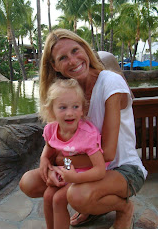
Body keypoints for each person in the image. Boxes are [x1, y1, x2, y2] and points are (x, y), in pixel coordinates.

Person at [19, 28, 147, 229]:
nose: (72, 60)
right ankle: (93, 206)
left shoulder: (110, 83)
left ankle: (123, 208)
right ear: (55, 66)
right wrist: (46, 161)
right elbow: (58, 136)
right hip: (84, 166)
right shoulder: (69, 93)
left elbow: (109, 153)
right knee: (29, 182)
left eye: (75, 50)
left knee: (78, 195)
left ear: (86, 50)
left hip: (123, 169)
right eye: (63, 57)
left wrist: (61, 161)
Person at [40, 78, 108, 229]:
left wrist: (75, 178)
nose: (70, 113)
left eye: (75, 106)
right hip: (69, 169)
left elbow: (100, 169)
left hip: (86, 174)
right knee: (48, 196)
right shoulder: (51, 129)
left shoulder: (87, 135)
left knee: (58, 199)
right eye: (62, 107)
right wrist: (44, 158)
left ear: (82, 109)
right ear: (51, 110)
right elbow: (49, 145)